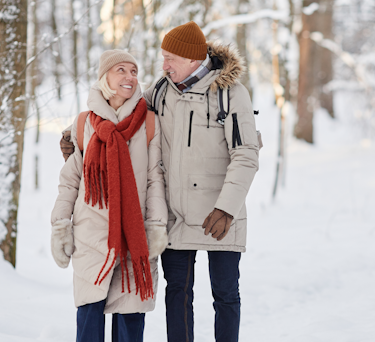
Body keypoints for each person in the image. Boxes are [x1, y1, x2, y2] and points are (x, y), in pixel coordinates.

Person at [61, 22, 260, 342]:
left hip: (220, 215)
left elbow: (246, 154)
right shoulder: (161, 91)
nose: (164, 65)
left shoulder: (230, 93)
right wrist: (79, 135)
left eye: (171, 58)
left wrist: (227, 207)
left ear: (193, 59)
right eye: (163, 57)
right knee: (178, 295)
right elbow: (123, 120)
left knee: (225, 295)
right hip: (176, 216)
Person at [51, 49, 169, 342]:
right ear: (105, 77)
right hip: (91, 235)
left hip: (133, 235)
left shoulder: (149, 122)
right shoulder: (83, 124)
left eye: (134, 71)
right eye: (122, 70)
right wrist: (60, 225)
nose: (130, 77)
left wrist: (155, 226)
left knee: (129, 324)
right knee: (89, 321)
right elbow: (70, 182)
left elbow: (156, 179)